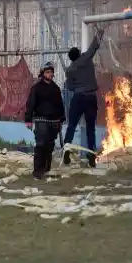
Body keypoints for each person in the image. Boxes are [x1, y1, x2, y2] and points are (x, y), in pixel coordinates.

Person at [62, 27, 104, 167]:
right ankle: (91, 157)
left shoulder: (70, 70)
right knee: (91, 128)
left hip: (78, 98)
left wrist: (78, 86)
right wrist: (100, 32)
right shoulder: (86, 58)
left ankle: (66, 152)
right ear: (79, 53)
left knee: (72, 126)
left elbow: (69, 87)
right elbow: (94, 46)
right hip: (91, 98)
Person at [24, 62, 65, 180]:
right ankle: (37, 172)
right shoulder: (36, 88)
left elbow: (60, 105)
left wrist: (61, 119)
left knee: (50, 146)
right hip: (41, 120)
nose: (50, 74)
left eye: (51, 72)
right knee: (41, 145)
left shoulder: (56, 88)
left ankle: (46, 169)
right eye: (47, 72)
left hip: (54, 121)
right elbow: (30, 104)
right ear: (42, 74)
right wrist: (28, 120)